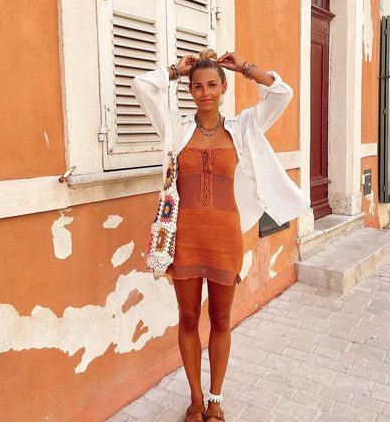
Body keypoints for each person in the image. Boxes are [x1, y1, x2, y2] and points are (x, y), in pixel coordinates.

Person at [131, 50, 308, 422]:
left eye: (212, 84)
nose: (205, 92)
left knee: (222, 320)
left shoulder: (243, 128)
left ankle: (215, 399)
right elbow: (142, 86)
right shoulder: (176, 128)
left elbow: (282, 93)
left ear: (224, 88)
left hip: (226, 236)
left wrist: (244, 67)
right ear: (190, 90)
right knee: (188, 319)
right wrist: (176, 69)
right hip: (185, 238)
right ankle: (195, 400)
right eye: (197, 86)